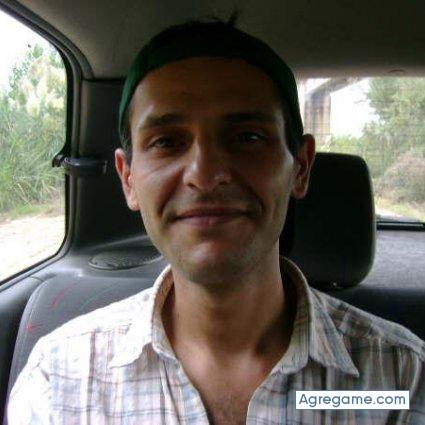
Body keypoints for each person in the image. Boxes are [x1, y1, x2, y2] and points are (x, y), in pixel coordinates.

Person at [8, 17, 425, 425]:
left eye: (247, 137)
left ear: (300, 167)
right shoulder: (60, 383)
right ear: (128, 178)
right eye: (166, 142)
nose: (205, 175)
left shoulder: (401, 382)